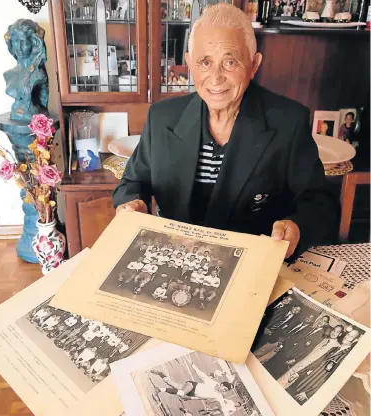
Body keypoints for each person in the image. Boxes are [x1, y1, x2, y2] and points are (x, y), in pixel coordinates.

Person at [113, 4, 338, 261]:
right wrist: (133, 203)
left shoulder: (288, 122)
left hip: (250, 263)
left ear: (254, 65)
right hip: (174, 256)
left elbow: (321, 203)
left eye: (230, 62)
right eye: (205, 62)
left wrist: (296, 227)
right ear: (189, 64)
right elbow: (132, 182)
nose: (216, 77)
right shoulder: (162, 117)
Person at [151, 359, 234, 415]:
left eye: (225, 390)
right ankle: (158, 390)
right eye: (225, 388)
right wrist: (193, 365)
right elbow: (202, 375)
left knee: (170, 383)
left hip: (192, 393)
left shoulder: (218, 396)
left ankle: (159, 373)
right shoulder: (212, 383)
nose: (224, 391)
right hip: (192, 385)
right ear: (222, 384)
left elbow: (221, 406)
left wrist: (190, 398)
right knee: (181, 393)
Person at [278, 325, 344, 389]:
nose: (334, 332)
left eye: (337, 332)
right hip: (300, 363)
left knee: (283, 383)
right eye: (334, 330)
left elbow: (320, 362)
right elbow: (309, 352)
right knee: (282, 380)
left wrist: (300, 373)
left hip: (304, 370)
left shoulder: (336, 347)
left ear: (340, 334)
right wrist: (296, 360)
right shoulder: (325, 339)